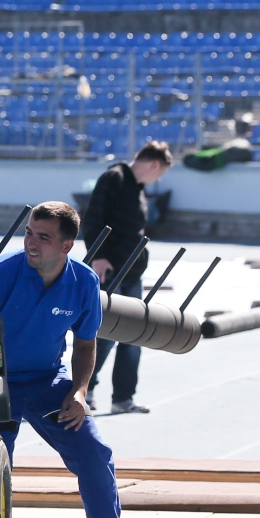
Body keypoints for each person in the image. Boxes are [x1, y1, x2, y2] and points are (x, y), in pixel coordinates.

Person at [0, 202, 141, 518]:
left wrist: (80, 392)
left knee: (95, 452)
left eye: (44, 238)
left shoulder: (84, 283)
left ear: (67, 246)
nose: (32, 243)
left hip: (48, 382)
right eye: (29, 234)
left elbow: (85, 345)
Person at [80, 139, 172, 414]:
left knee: (135, 335)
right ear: (155, 165)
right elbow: (93, 218)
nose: (159, 179)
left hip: (133, 271)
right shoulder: (115, 178)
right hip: (112, 269)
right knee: (105, 333)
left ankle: (123, 397)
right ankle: (86, 389)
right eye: (161, 173)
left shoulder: (138, 189)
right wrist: (98, 255)